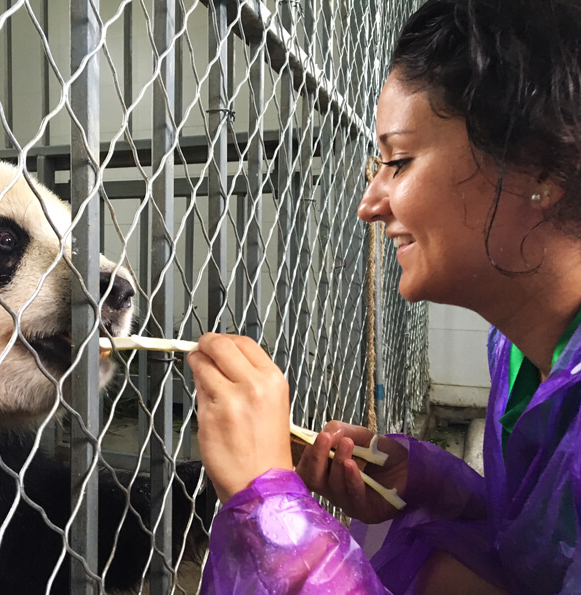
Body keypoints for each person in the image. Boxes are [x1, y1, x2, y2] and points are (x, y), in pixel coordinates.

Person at [186, 0, 581, 592]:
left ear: (541, 166)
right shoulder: (519, 348)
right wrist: (428, 481)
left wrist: (269, 509)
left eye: (398, 161)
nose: (369, 204)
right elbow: (539, 544)